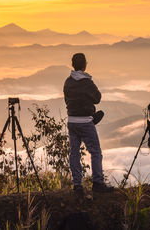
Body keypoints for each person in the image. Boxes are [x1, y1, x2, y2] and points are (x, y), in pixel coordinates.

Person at [63, 53, 114, 196]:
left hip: (72, 121)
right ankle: (98, 183)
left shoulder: (68, 81)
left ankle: (77, 185)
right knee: (95, 151)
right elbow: (97, 98)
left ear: (73, 65)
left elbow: (68, 100)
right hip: (85, 121)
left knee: (74, 153)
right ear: (85, 64)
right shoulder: (87, 82)